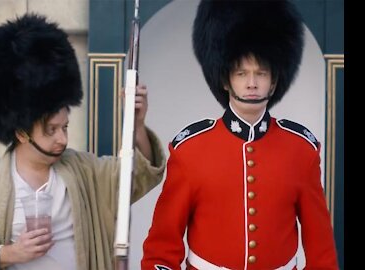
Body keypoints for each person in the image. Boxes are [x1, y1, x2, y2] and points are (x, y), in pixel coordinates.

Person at [0, 13, 166, 270]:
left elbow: (137, 178)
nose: (63, 138)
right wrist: (10, 253)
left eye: (65, 127)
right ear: (21, 132)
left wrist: (136, 126)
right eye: (51, 130)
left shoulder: (86, 171)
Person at [141, 0, 338, 269]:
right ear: (225, 80)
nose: (252, 83)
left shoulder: (300, 150)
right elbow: (162, 248)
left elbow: (321, 249)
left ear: (275, 80)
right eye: (241, 73)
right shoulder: (190, 150)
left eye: (261, 73)